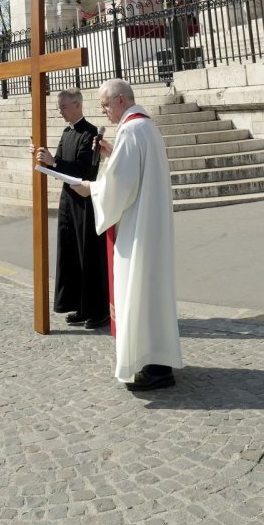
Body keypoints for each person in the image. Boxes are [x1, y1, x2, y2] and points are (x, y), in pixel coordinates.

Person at [72, 79, 182, 391]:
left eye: (105, 104)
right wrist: (112, 154)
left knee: (136, 292)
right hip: (152, 224)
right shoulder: (146, 126)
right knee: (151, 295)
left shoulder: (131, 130)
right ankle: (158, 362)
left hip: (138, 229)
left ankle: (154, 368)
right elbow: (133, 171)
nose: (103, 111)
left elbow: (119, 186)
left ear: (120, 100)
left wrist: (90, 189)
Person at [35, 89, 109, 329]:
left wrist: (54, 162)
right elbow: (59, 162)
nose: (61, 111)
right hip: (67, 199)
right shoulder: (67, 132)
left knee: (87, 255)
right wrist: (46, 160)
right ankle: (79, 306)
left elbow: (85, 171)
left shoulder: (90, 134)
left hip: (85, 201)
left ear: (77, 105)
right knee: (70, 254)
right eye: (59, 107)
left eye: (64, 107)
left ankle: (98, 310)